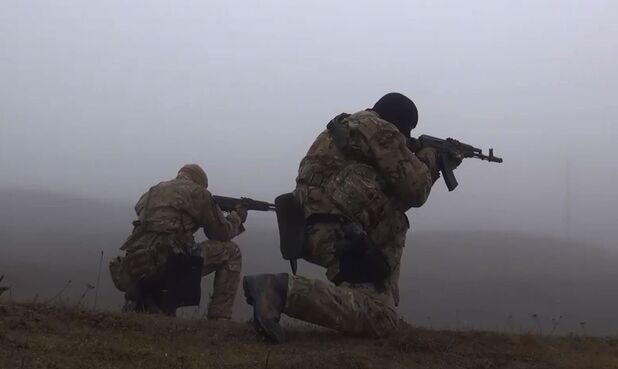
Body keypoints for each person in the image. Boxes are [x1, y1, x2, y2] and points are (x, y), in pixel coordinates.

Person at [243, 93, 461, 342]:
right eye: (407, 132)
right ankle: (280, 290)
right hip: (339, 233)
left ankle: (379, 299)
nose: (407, 139)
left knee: (378, 298)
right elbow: (415, 190)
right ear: (400, 123)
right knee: (380, 318)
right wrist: (433, 159)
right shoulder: (382, 131)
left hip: (310, 227)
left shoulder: (342, 128)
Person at [109, 164, 247, 319]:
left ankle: (144, 304)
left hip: (138, 262)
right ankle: (219, 318)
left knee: (173, 248)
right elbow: (221, 233)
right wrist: (237, 217)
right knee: (232, 252)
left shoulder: (152, 191)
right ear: (201, 182)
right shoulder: (200, 193)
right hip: (170, 262)